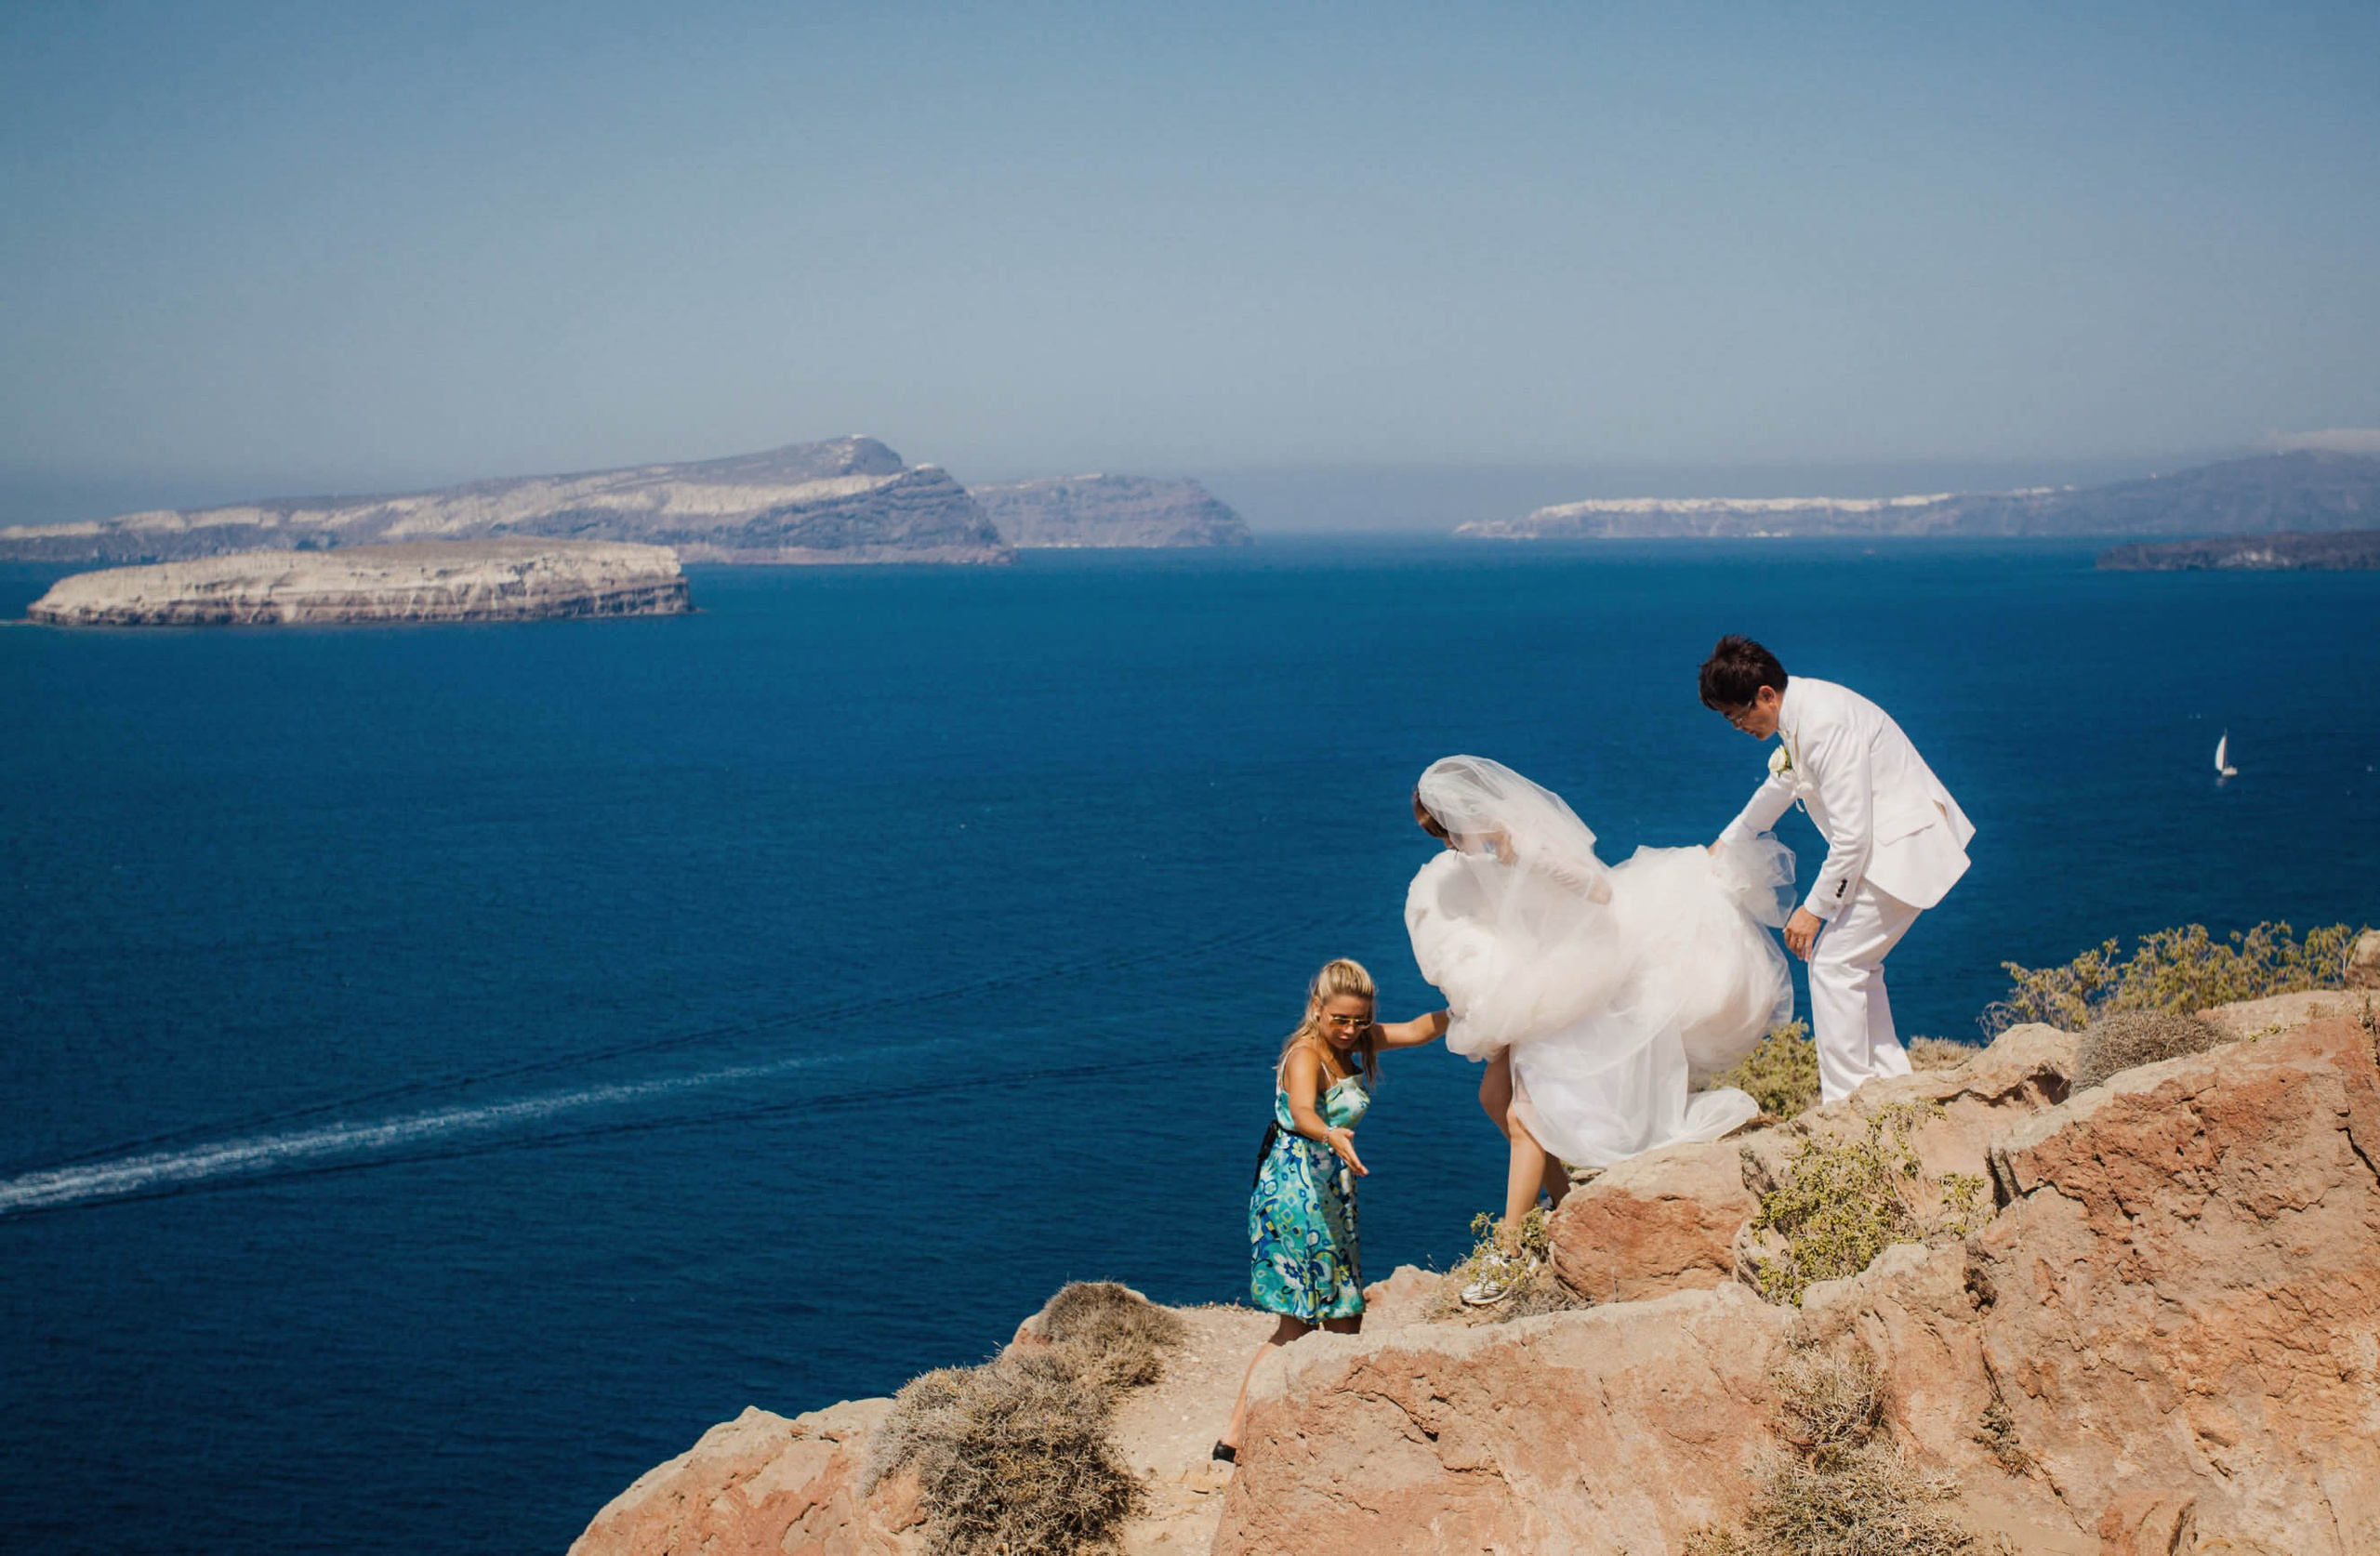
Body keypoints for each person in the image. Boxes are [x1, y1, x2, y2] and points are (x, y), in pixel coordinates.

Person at [1408, 755, 1795, 1304]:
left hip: (1578, 984)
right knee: (1495, 1096)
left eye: (1444, 832)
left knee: (1525, 1116)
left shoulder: (1526, 844)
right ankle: (1565, 1208)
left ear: (1467, 815)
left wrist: (1534, 878)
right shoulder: (1500, 848)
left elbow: (1598, 892)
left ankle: (1510, 1249)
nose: (1446, 844)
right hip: (1542, 979)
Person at [1700, 635, 1975, 1105]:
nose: (1739, 727)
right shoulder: (1799, 715)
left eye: (1738, 715)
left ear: (1766, 694)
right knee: (1857, 967)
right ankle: (1892, 1088)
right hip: (1885, 853)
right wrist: (1723, 846)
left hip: (1901, 849)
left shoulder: (1824, 722)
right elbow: (1778, 789)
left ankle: (1847, 1105)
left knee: (1833, 964)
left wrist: (1813, 909)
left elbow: (1852, 835)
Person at [1216, 957, 1448, 1464]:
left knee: (1345, 1317)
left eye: (1360, 1020)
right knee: (1296, 1324)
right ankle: (1234, 1437)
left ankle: (1326, 1431)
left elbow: (1415, 1030)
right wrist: (1331, 1133)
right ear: (1317, 1008)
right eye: (1339, 1019)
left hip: (1330, 1194)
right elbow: (1302, 1112)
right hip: (1294, 1197)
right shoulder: (1305, 1055)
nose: (1349, 1030)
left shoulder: (1358, 1040)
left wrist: (1476, 1008)